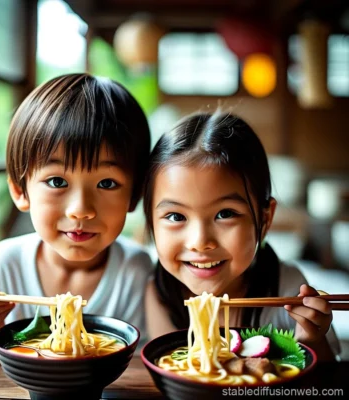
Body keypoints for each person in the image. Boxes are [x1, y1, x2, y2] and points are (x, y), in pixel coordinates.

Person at [0, 73, 153, 358]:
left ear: (134, 195)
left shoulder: (136, 269)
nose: (80, 209)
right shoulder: (4, 264)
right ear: (20, 191)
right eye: (57, 182)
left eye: (107, 183)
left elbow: (139, 364)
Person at [143, 110, 340, 362]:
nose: (200, 241)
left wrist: (312, 341)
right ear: (150, 222)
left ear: (264, 219)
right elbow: (172, 369)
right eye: (175, 217)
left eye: (225, 214)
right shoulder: (159, 290)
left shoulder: (289, 289)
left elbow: (328, 377)